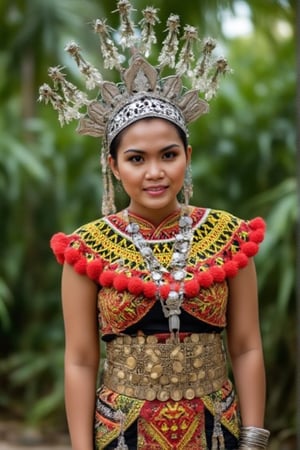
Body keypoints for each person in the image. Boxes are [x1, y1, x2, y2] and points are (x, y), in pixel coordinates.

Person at [39, 1, 270, 449]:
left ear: (188, 156)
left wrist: (253, 440)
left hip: (215, 432)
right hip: (121, 433)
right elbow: (82, 360)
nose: (155, 172)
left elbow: (246, 346)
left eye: (168, 154)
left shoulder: (229, 238)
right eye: (136, 159)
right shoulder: (86, 249)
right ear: (113, 165)